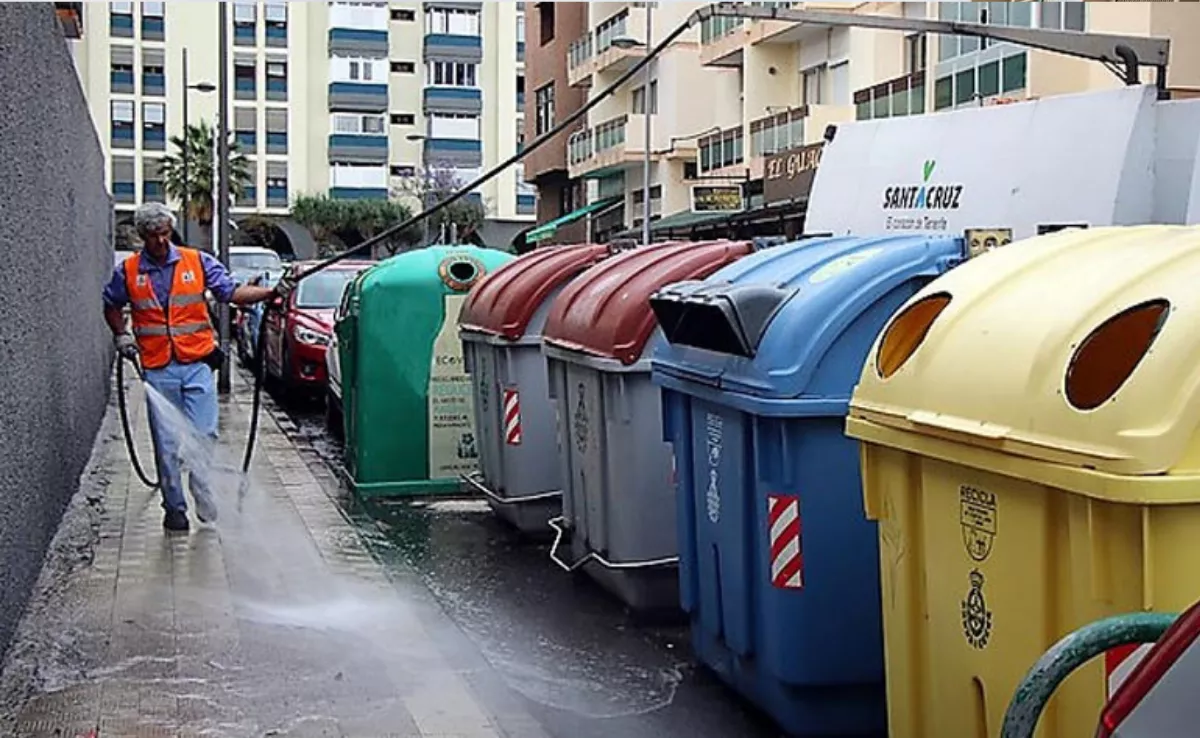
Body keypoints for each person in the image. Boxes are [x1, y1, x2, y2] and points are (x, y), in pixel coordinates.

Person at [102, 203, 293, 532]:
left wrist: (270, 292)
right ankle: (174, 508)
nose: (161, 241)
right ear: (142, 236)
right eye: (153, 235)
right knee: (166, 445)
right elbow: (111, 304)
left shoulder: (197, 261)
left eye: (165, 233)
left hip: (197, 364)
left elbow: (230, 292)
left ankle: (202, 492)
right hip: (157, 368)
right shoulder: (129, 271)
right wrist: (121, 334)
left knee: (204, 434)